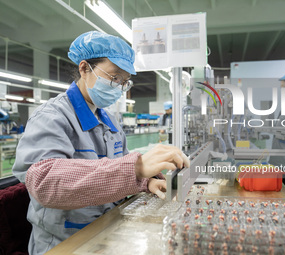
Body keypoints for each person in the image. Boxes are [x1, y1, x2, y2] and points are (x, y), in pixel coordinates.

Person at [12, 31, 189, 255]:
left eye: (124, 81)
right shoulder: (52, 117)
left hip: (107, 230)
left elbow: (119, 170)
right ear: (85, 68)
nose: (119, 87)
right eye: (114, 77)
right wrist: (135, 167)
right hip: (64, 242)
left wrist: (145, 182)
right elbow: (44, 181)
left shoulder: (110, 122)